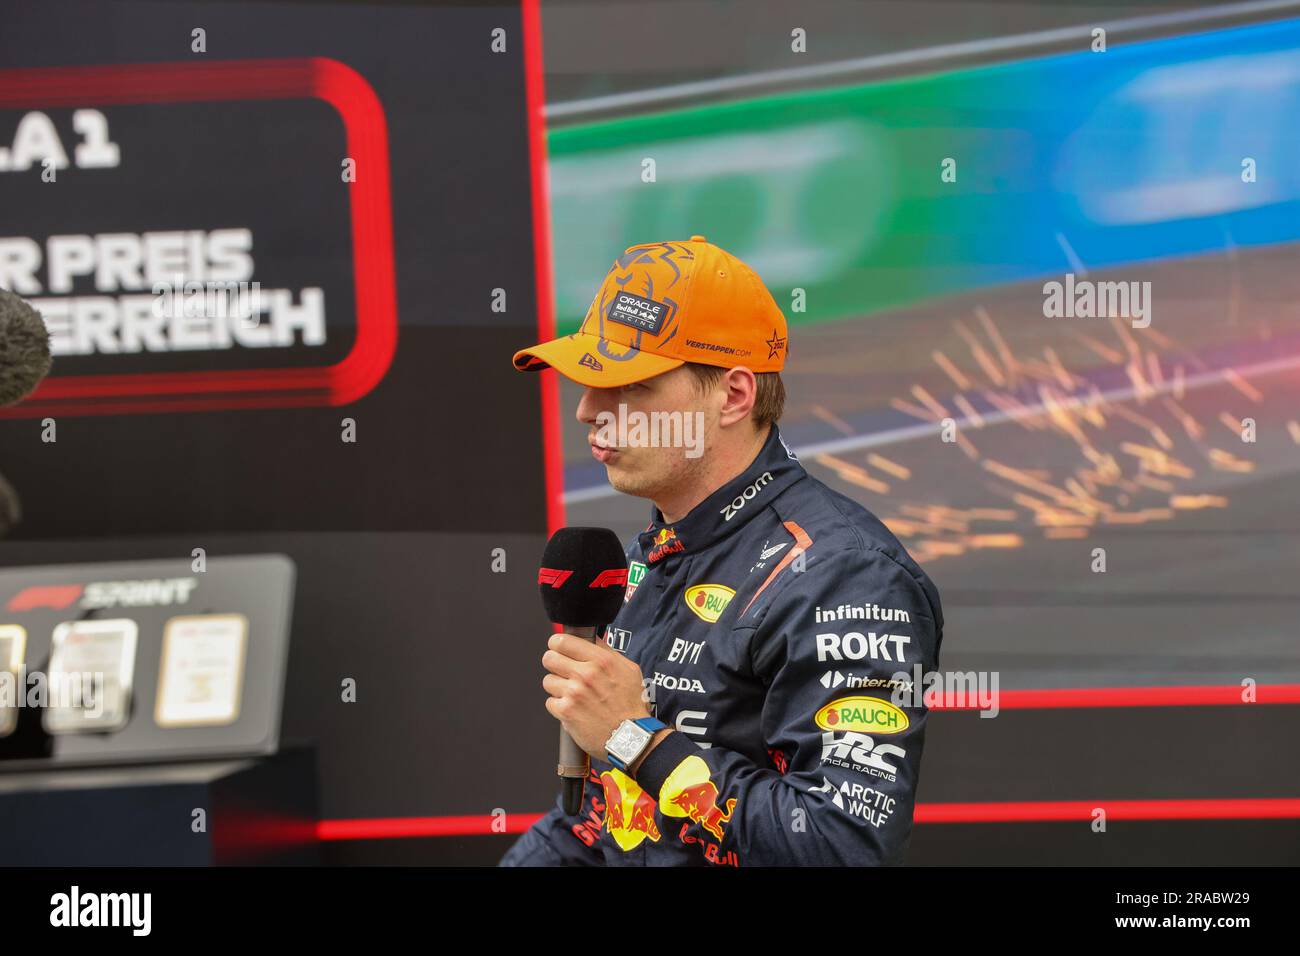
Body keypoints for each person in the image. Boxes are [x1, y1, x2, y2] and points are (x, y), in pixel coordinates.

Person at [502, 236, 944, 866]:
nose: (587, 410)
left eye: (629, 384)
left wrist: (635, 738)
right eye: (587, 381)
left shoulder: (845, 576)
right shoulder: (646, 557)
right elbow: (600, 825)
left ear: (733, 396)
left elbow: (837, 846)